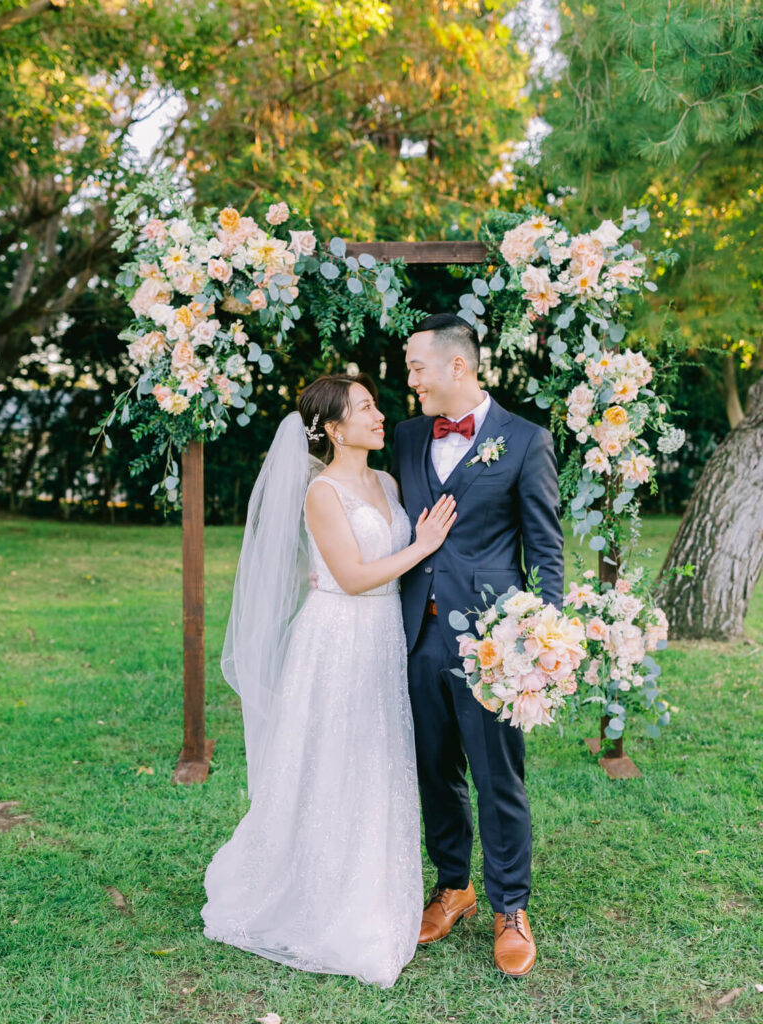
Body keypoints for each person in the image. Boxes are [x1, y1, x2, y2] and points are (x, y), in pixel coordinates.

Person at [201, 373, 457, 988]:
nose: (378, 414)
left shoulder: (388, 481)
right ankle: (318, 898)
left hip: (381, 640)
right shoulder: (322, 492)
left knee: (376, 762)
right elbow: (353, 575)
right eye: (365, 407)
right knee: (333, 764)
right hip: (337, 640)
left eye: (375, 403)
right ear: (336, 429)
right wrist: (422, 545)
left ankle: (371, 892)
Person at [391, 313, 565, 977]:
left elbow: (545, 551)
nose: (410, 382)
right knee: (434, 768)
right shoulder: (407, 439)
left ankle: (511, 905)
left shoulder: (525, 441)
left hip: (496, 645)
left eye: (416, 368)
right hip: (416, 634)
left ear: (456, 367)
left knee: (498, 775)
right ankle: (453, 886)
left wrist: (539, 644)